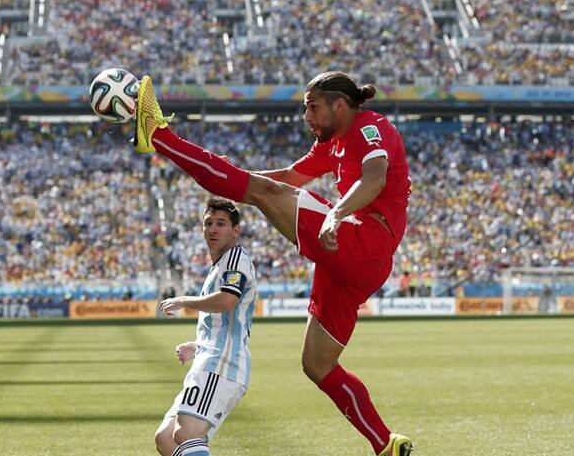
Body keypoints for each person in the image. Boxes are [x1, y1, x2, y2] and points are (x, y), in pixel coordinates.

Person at [131, 71, 412, 455]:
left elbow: (375, 178)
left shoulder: (370, 127)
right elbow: (288, 178)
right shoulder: (331, 142)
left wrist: (335, 214)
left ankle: (159, 135)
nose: (306, 117)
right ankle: (385, 443)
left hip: (364, 240)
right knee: (318, 365)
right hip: (352, 261)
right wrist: (236, 178)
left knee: (259, 191)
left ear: (339, 106)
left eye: (312, 108)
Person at [154, 199, 258, 456]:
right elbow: (227, 321)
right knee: (166, 438)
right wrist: (198, 346)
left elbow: (227, 301)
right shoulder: (219, 265)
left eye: (221, 224)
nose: (213, 229)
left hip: (223, 363)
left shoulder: (235, 258)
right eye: (208, 223)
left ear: (235, 231)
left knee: (187, 433)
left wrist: (182, 301)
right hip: (211, 358)